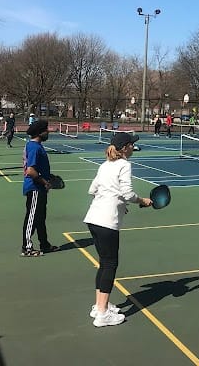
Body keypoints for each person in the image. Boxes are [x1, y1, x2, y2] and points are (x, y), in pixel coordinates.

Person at [83, 131, 152, 327]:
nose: (133, 147)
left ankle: (99, 306)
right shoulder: (124, 165)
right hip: (107, 222)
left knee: (104, 263)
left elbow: (92, 190)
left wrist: (117, 203)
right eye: (131, 144)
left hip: (93, 218)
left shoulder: (105, 165)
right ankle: (102, 314)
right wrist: (142, 201)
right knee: (110, 264)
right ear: (125, 148)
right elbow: (128, 193)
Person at [21, 120, 59, 257]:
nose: (48, 132)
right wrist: (45, 182)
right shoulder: (34, 148)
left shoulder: (35, 146)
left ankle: (44, 244)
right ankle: (27, 248)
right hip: (35, 188)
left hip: (40, 188)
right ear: (39, 132)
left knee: (40, 217)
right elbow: (31, 171)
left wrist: (49, 177)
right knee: (32, 217)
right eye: (45, 130)